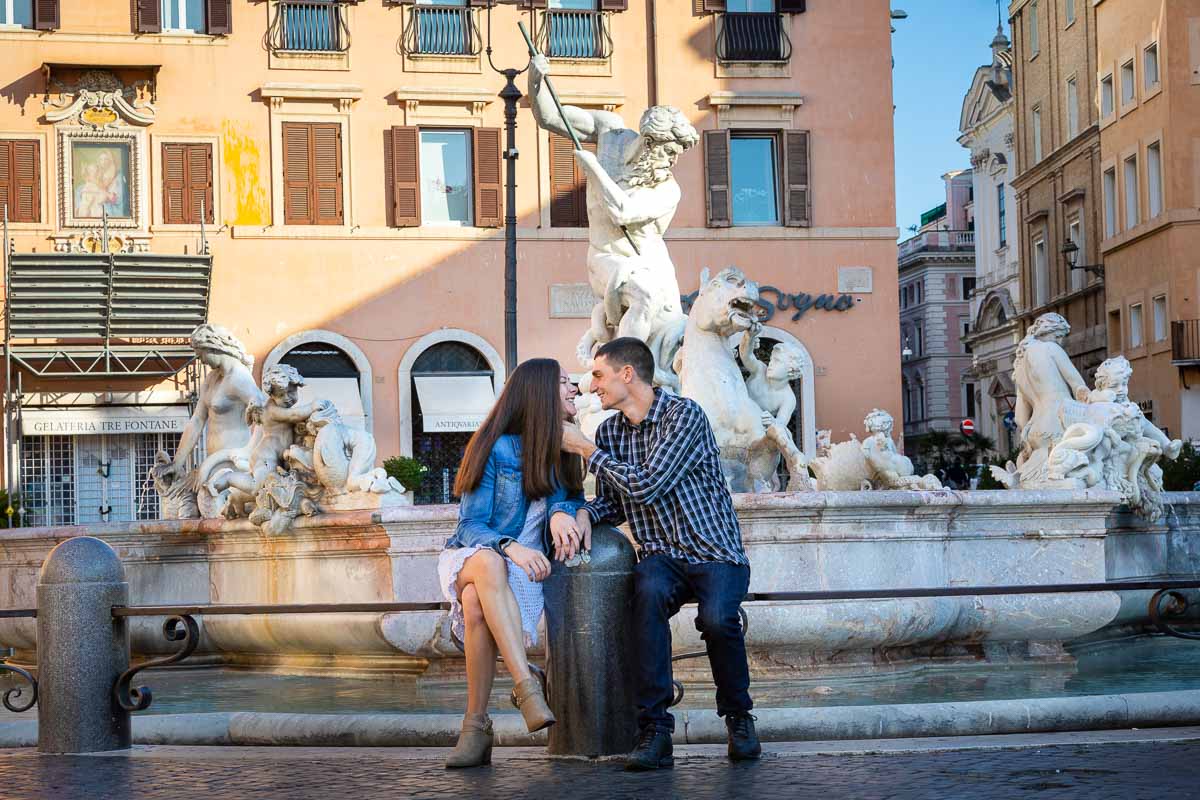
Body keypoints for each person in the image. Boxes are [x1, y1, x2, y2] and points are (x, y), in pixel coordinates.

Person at [560, 337, 761, 770]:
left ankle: (739, 719)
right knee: (645, 603)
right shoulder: (610, 432)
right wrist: (583, 514)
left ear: (626, 374)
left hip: (714, 550)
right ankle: (655, 731)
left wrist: (584, 450)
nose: (591, 386)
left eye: (598, 375)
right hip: (661, 555)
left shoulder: (683, 416)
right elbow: (617, 501)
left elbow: (648, 484)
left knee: (718, 619)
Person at [438, 358, 590, 769]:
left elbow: (572, 496)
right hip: (479, 553)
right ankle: (526, 685)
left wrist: (571, 511)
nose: (574, 388)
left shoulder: (565, 443)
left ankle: (475, 726)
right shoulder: (497, 446)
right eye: (563, 382)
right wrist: (511, 547)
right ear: (540, 393)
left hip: (525, 571)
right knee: (487, 566)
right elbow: (470, 525)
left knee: (474, 604)